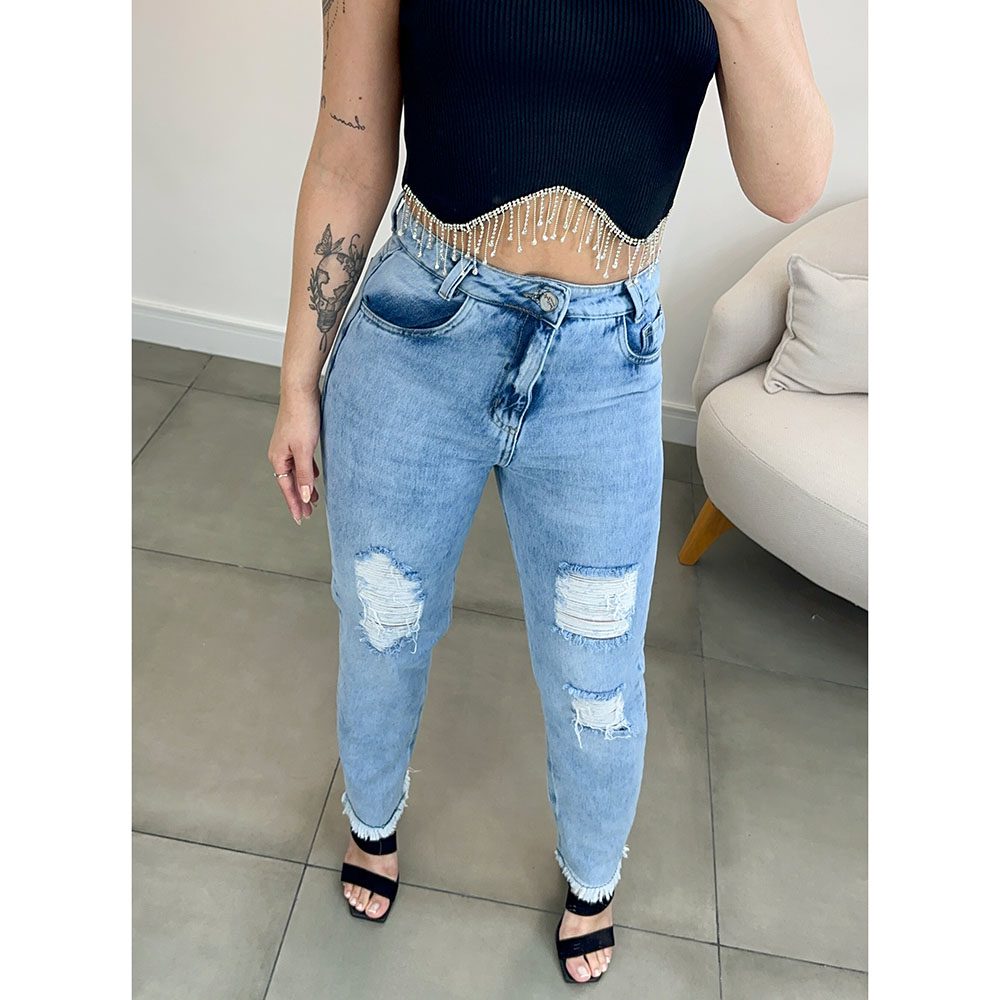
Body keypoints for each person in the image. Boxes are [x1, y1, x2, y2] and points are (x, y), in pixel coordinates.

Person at [268, 0, 831, 985]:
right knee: (382, 620)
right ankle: (371, 820)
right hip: (417, 332)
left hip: (603, 361)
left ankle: (591, 877)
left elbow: (789, 185)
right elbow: (348, 155)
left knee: (596, 668)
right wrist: (295, 382)